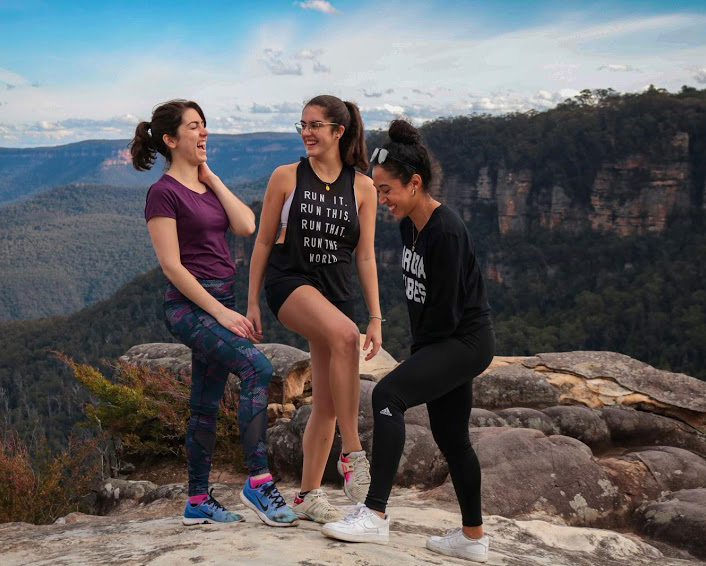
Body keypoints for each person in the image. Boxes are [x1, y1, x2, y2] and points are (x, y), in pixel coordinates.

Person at [321, 120, 494, 563]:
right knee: (452, 437)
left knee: (387, 394)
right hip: (441, 342)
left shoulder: (446, 231)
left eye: (388, 191)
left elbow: (448, 312)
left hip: (464, 341)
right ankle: (473, 538)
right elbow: (422, 304)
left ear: (415, 184)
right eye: (377, 191)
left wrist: (422, 360)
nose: (382, 201)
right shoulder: (408, 229)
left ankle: (375, 514)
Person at [131, 99, 298, 528]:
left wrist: (212, 177)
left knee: (204, 405)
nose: (204, 133)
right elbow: (171, 266)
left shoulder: (205, 186)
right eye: (193, 127)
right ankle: (259, 482)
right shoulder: (162, 193)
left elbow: (246, 225)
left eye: (204, 126)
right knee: (256, 367)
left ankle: (197, 500)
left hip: (219, 298)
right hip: (190, 307)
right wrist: (222, 314)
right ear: (170, 140)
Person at [247, 95, 383, 524]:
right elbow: (265, 242)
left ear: (338, 132)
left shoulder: (362, 187)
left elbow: (365, 256)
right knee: (346, 337)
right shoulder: (286, 177)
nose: (306, 132)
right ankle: (353, 453)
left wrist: (376, 316)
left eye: (315, 125)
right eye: (302, 124)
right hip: (291, 285)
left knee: (325, 402)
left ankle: (306, 495)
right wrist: (251, 301)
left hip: (337, 294)